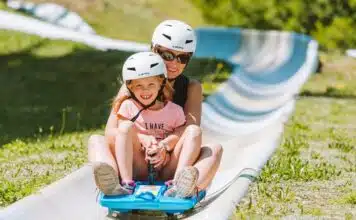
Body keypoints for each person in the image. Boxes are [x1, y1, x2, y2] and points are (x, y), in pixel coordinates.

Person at [88, 20, 223, 197]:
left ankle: (185, 187)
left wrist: (164, 147)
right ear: (154, 50)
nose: (174, 63)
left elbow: (190, 128)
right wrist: (143, 139)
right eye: (168, 55)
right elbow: (111, 132)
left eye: (183, 58)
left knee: (215, 150)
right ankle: (111, 183)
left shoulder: (192, 87)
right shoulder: (133, 83)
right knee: (96, 140)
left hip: (171, 163)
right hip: (137, 160)